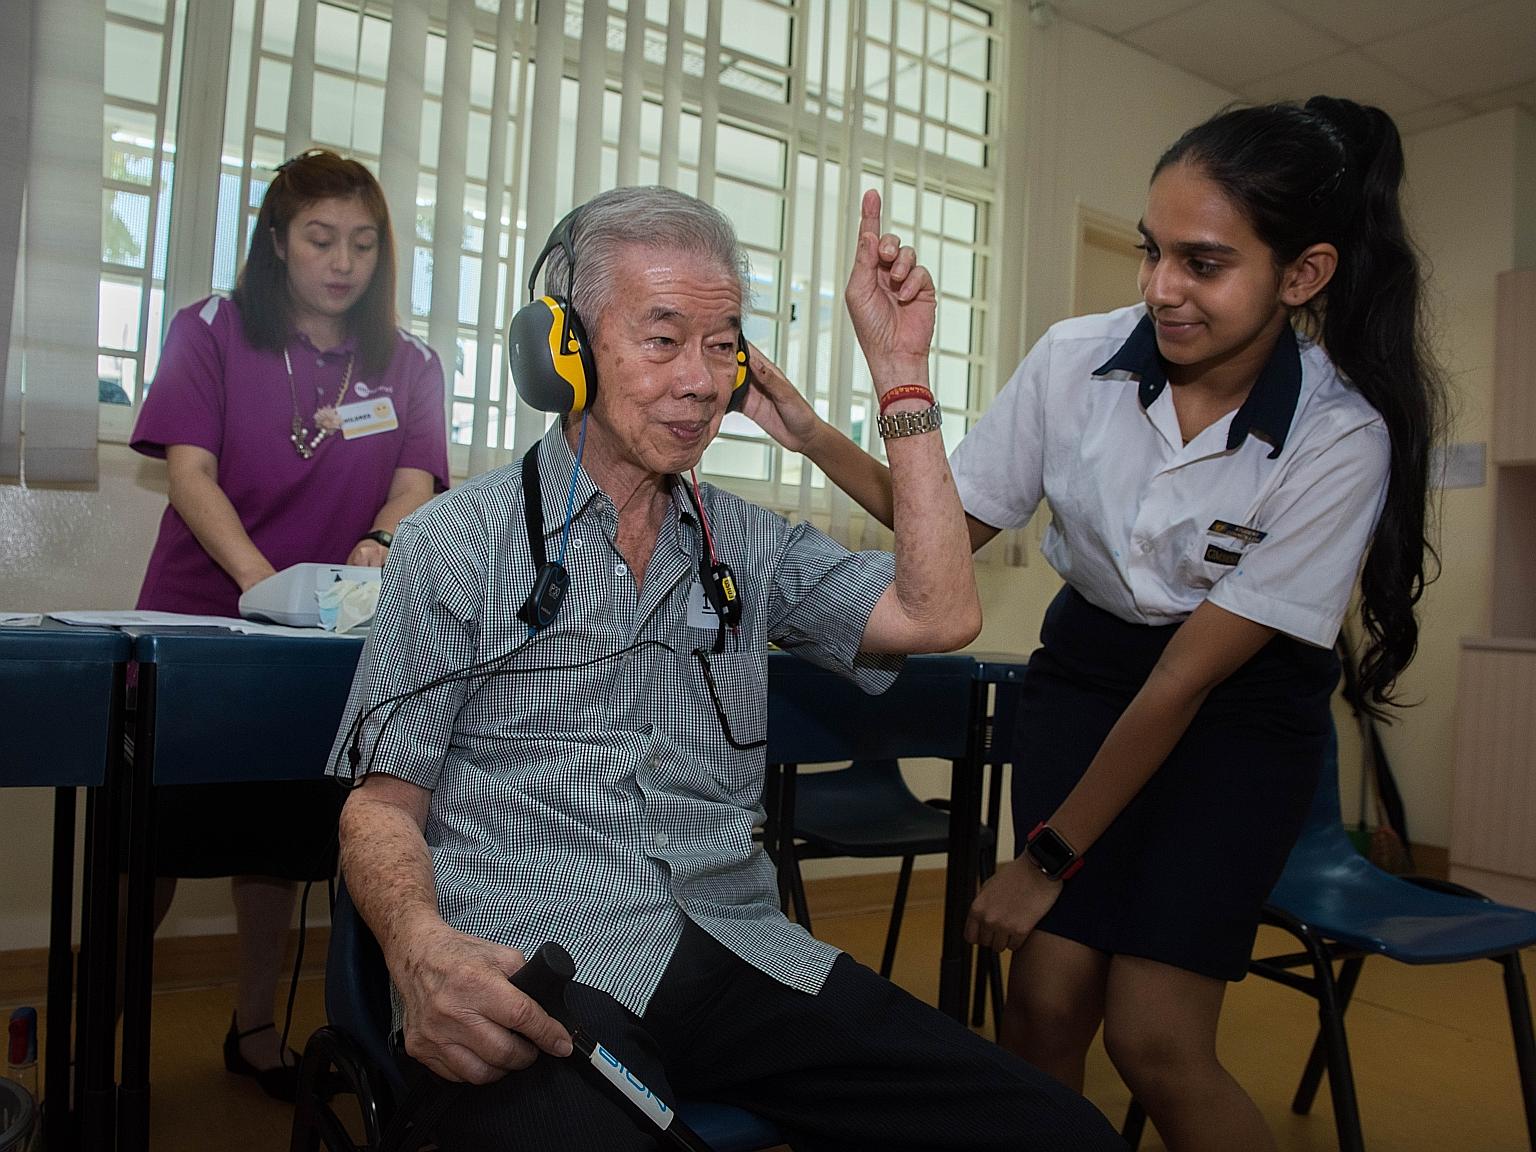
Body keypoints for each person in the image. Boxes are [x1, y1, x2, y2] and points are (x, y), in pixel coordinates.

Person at [329, 184, 1123, 1150]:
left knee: (1054, 1132)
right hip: (536, 951)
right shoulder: (453, 545)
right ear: (564, 350)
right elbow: (379, 806)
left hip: (736, 945)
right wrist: (419, 951)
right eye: (663, 339)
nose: (703, 381)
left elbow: (940, 610)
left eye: (723, 344)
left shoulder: (745, 545)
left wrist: (901, 376)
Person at [750, 97, 1444, 1151]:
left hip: (1235, 717)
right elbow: (935, 522)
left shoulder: (1340, 436)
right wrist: (810, 434)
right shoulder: (1078, 359)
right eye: (1151, 250)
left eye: (1204, 263)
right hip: (1088, 680)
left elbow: (1186, 684)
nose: (1162, 288)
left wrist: (1043, 859)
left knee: (1156, 1038)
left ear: (1300, 276)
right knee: (1043, 1007)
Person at [130, 148, 450, 1100]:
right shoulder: (213, 330)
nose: (342, 260)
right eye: (320, 238)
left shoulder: (410, 359)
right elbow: (190, 472)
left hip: (330, 641)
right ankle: (90, 1045)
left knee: (277, 839)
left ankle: (256, 1028)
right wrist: (264, 584)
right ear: (277, 241)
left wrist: (380, 545)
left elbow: (415, 483)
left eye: (361, 241)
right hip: (202, 624)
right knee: (153, 839)